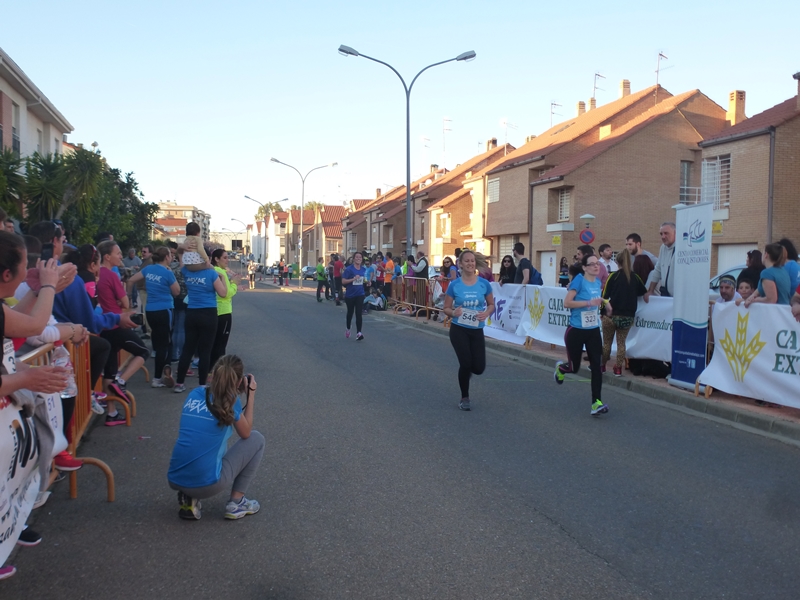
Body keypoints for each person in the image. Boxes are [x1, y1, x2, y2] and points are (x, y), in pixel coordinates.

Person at [167, 355, 264, 520]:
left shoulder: (194, 394)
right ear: (239, 381)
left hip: (175, 478)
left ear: (213, 374)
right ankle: (237, 502)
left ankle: (189, 497)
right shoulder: (231, 402)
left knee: (208, 443)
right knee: (257, 439)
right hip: (207, 485)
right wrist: (251, 394)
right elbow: (246, 433)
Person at [96, 240, 151, 409]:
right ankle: (121, 382)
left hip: (102, 326)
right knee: (143, 351)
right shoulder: (111, 275)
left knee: (110, 370)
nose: (121, 256)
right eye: (118, 253)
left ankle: (111, 412)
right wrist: (122, 291)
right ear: (107, 256)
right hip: (116, 324)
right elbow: (125, 301)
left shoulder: (95, 274)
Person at [554, 254, 609, 416]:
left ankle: (596, 403)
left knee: (597, 367)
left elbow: (597, 299)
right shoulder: (579, 280)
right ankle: (560, 369)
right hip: (576, 330)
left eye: (597, 264)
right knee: (574, 367)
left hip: (593, 331)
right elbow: (567, 302)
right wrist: (588, 303)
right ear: (584, 267)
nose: (596, 266)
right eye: (591, 264)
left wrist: (606, 303)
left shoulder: (598, 282)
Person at [442, 250, 495, 411]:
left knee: (478, 368)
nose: (470, 264)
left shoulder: (483, 284)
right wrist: (453, 313)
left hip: (476, 329)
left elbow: (491, 304)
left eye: (472, 261)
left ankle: (467, 372)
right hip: (459, 329)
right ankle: (464, 397)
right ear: (461, 264)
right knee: (465, 363)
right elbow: (446, 308)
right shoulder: (455, 285)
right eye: (467, 261)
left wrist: (486, 312)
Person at [173, 255, 229, 392]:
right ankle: (202, 385)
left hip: (192, 312)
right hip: (209, 313)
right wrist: (222, 279)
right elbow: (223, 293)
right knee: (205, 350)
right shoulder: (211, 274)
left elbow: (181, 259)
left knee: (188, 349)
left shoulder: (186, 271)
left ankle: (179, 383)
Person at [127, 247, 180, 388]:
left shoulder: (148, 269)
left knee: (157, 342)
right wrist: (171, 277)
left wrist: (129, 298)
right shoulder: (167, 272)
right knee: (167, 342)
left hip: (150, 310)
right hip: (165, 309)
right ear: (167, 257)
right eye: (170, 255)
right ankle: (159, 376)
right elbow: (176, 292)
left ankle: (164, 369)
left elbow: (131, 280)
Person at [601, 249, 646, 376]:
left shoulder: (613, 276)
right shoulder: (635, 277)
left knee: (606, 343)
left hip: (610, 315)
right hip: (627, 316)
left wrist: (601, 311)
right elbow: (643, 291)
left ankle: (602, 365)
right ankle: (618, 368)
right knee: (621, 343)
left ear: (617, 261)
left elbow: (604, 296)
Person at [737, 243, 791, 307]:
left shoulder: (767, 273)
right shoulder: (783, 271)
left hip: (774, 312)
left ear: (766, 255)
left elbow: (771, 300)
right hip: (785, 310)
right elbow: (756, 292)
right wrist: (747, 299)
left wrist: (754, 300)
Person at [210, 249, 239, 369]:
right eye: (225, 258)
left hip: (213, 310)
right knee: (221, 343)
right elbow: (226, 293)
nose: (227, 260)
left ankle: (210, 369)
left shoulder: (211, 271)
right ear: (216, 259)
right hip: (223, 311)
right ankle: (220, 371)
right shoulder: (220, 272)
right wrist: (234, 284)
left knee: (213, 342)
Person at [645, 222, 676, 301]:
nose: (663, 236)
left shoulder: (682, 248)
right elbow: (658, 270)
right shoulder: (663, 248)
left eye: (666, 233)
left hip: (679, 297)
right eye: (661, 234)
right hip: (666, 295)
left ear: (675, 233)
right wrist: (650, 291)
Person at [341, 252, 366, 340]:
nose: (358, 258)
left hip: (360, 294)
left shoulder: (363, 269)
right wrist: (353, 279)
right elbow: (343, 281)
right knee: (350, 313)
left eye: (360, 257)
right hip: (350, 295)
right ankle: (348, 328)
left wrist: (368, 282)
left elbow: (364, 280)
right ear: (354, 258)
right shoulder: (349, 269)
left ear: (362, 259)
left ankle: (359, 332)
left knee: (359, 313)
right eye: (357, 257)